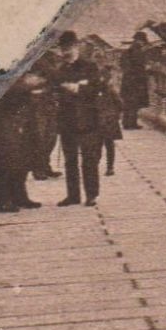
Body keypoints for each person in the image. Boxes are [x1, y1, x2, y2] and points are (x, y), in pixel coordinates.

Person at [51, 31, 105, 207]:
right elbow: (57, 90)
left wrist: (76, 89)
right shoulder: (61, 69)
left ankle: (91, 195)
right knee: (70, 159)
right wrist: (77, 87)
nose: (66, 51)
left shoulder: (89, 66)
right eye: (63, 48)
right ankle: (73, 195)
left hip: (88, 119)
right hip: (67, 120)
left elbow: (96, 88)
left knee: (89, 159)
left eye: (69, 47)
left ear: (76, 47)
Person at [0, 72, 44, 213]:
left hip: (18, 120)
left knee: (21, 159)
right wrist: (28, 85)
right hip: (4, 122)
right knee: (5, 161)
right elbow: (6, 90)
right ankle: (2, 201)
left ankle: (19, 196)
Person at [29, 48, 63, 181]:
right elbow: (53, 74)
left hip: (50, 102)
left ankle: (45, 165)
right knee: (41, 136)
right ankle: (38, 168)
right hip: (37, 104)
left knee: (51, 136)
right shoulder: (36, 58)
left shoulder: (50, 56)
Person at [119, 30, 152, 129]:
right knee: (134, 103)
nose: (143, 44)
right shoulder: (138, 52)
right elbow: (140, 66)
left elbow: (122, 65)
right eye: (143, 42)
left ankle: (126, 123)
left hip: (127, 80)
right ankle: (131, 124)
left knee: (128, 103)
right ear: (140, 41)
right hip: (136, 81)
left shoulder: (126, 51)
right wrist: (147, 69)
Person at [97, 62, 124, 177]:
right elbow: (120, 105)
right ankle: (110, 167)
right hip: (109, 121)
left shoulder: (92, 93)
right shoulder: (111, 91)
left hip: (98, 121)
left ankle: (96, 165)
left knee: (96, 145)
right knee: (109, 145)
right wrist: (117, 115)